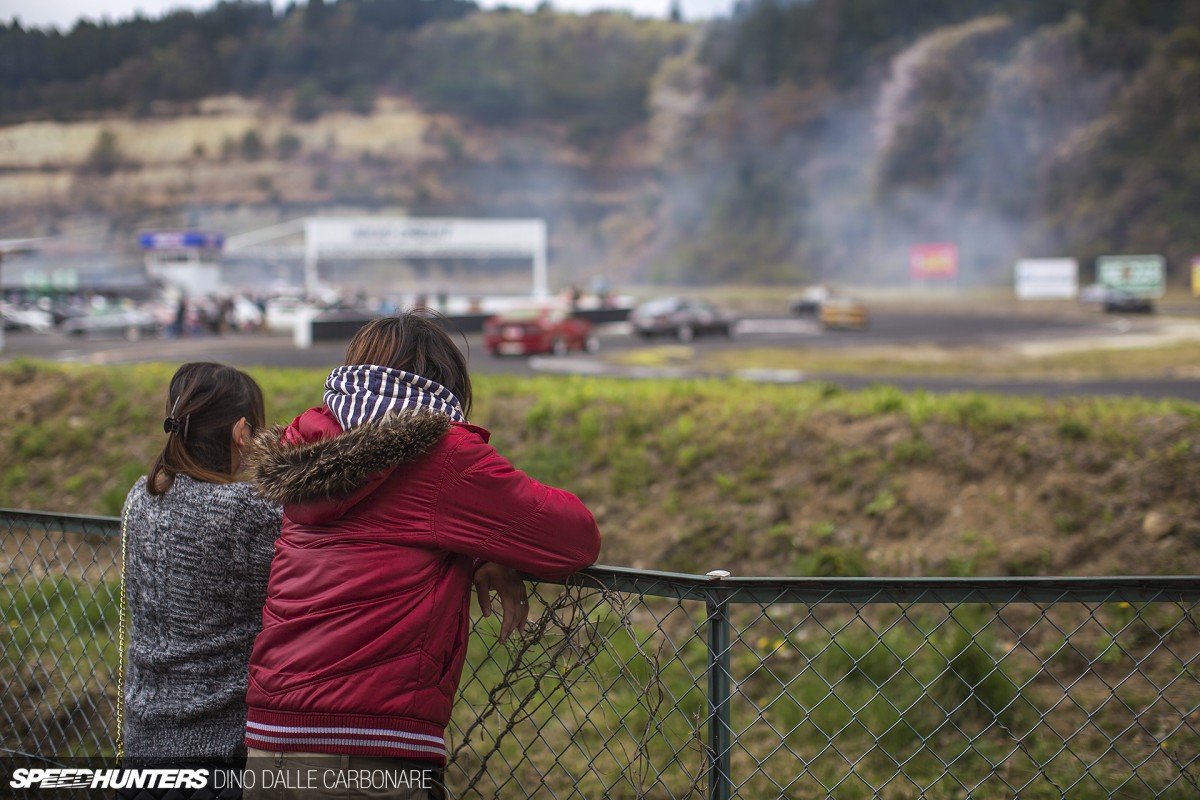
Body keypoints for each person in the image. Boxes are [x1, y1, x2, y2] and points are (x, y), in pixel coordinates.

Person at [241, 313, 601, 799]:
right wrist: (495, 548)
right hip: (369, 751)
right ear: (447, 380)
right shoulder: (442, 452)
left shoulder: (308, 445)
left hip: (271, 741)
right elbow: (573, 538)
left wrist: (477, 551)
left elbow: (379, 539)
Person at [118, 362, 283, 796]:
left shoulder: (141, 497)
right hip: (216, 759)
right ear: (242, 432)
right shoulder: (245, 512)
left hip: (141, 747)